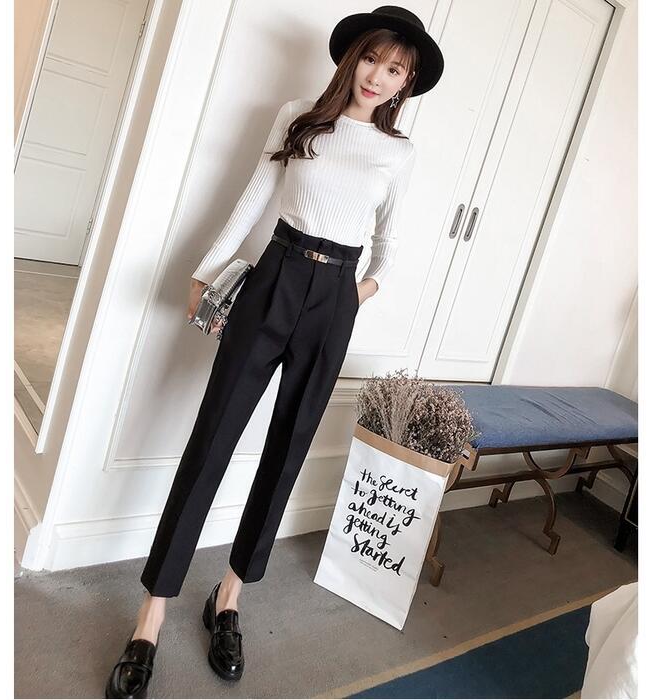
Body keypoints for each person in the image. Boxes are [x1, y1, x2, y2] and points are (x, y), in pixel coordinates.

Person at [105, 5, 444, 698]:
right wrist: (207, 270)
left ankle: (228, 599)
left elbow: (390, 240)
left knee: (286, 449)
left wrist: (357, 294)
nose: (380, 77)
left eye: (397, 71)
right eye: (374, 59)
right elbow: (253, 197)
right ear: (352, 57)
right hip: (275, 277)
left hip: (335, 295)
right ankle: (151, 617)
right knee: (212, 441)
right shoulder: (299, 117)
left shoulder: (399, 152)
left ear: (406, 84)